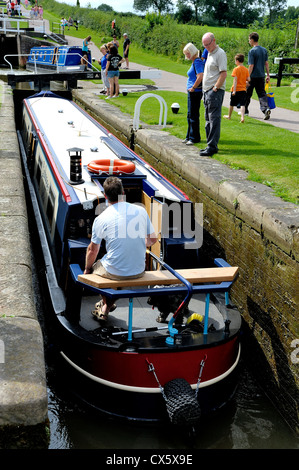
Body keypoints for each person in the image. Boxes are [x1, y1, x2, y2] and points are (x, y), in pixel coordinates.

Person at [84, 177, 157, 321]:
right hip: (139, 271)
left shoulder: (101, 219)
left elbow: (92, 250)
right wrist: (139, 243)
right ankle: (105, 308)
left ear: (105, 196)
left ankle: (106, 306)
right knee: (116, 266)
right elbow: (153, 239)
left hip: (115, 272)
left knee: (96, 268)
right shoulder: (140, 211)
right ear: (123, 192)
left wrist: (87, 269)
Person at [200, 32, 227, 157]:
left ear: (214, 41)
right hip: (207, 91)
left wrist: (215, 88)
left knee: (214, 119)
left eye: (208, 44)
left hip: (214, 92)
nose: (206, 47)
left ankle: (212, 147)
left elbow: (223, 73)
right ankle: (209, 145)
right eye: (204, 45)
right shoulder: (209, 53)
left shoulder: (220, 53)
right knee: (208, 119)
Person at [182, 43, 204, 146]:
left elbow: (200, 76)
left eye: (187, 53)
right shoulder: (194, 62)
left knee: (193, 115)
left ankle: (194, 137)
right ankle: (189, 135)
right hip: (192, 91)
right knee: (190, 114)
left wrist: (193, 87)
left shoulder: (197, 62)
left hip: (195, 92)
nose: (186, 56)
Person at [245, 32, 271, 120]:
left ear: (252, 40)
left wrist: (248, 77)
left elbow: (251, 65)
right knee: (261, 94)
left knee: (248, 93)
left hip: (253, 76)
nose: (249, 41)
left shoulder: (252, 51)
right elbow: (266, 64)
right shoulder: (264, 50)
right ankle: (265, 109)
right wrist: (268, 75)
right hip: (261, 76)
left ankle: (245, 111)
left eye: (249, 40)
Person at [223, 53, 249, 123]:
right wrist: (246, 82)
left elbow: (235, 80)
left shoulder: (236, 69)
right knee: (242, 104)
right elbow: (248, 79)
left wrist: (234, 91)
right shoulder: (246, 70)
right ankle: (242, 117)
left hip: (236, 89)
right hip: (243, 89)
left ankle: (229, 116)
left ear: (237, 61)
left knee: (232, 104)